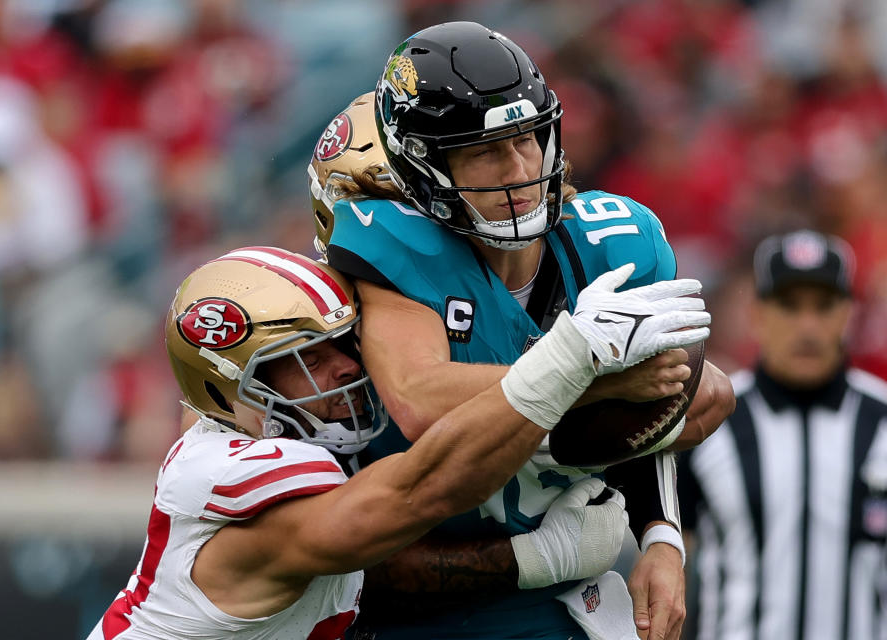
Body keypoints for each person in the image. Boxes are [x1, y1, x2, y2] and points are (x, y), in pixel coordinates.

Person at [311, 22, 736, 640]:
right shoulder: (387, 248)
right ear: (421, 168)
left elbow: (682, 401)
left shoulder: (613, 242)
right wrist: (585, 376)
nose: (516, 169)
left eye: (527, 139)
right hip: (407, 587)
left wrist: (662, 535)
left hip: (552, 602)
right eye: (484, 150)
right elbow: (420, 398)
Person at [86, 246, 710, 639]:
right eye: (307, 356)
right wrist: (568, 361)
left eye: (344, 344)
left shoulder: (292, 444)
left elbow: (713, 397)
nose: (344, 368)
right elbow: (418, 493)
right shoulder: (234, 475)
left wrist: (661, 527)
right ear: (234, 384)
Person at [679, 230, 887, 640]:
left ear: (848, 313)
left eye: (823, 306)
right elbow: (668, 551)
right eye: (788, 306)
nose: (806, 325)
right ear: (757, 314)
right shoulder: (709, 417)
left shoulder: (882, 422)